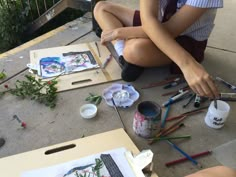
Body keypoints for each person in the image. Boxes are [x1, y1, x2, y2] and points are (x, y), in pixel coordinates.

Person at [93, 0, 223, 99]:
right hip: (156, 24)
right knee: (102, 8)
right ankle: (124, 58)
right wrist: (122, 33)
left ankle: (131, 55)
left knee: (134, 49)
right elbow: (148, 20)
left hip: (185, 40)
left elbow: (170, 30)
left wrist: (187, 64)